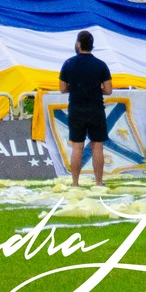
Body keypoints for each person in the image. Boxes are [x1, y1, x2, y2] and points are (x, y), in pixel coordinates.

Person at [60, 29, 114, 188]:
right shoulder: (100, 64)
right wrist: (96, 89)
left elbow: (62, 88)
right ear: (92, 45)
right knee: (97, 146)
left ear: (78, 44)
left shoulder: (69, 63)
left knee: (77, 146)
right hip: (96, 109)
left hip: (76, 109)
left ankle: (75, 183)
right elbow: (109, 90)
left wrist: (76, 88)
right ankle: (98, 182)